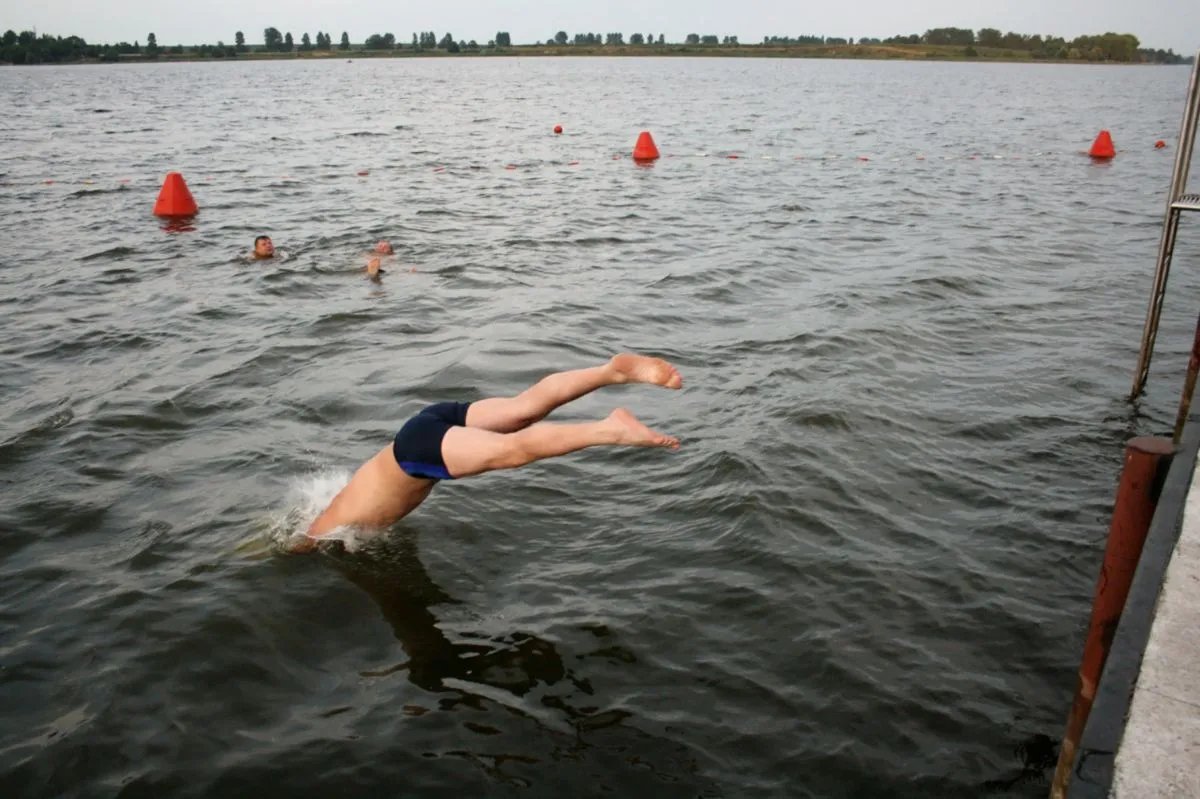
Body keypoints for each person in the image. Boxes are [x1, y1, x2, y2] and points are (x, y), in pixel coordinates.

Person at [290, 353, 683, 552]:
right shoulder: (335, 502)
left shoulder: (319, 535)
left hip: (415, 456)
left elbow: (305, 543)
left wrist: (293, 550)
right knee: (522, 409)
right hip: (422, 426)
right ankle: (611, 372)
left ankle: (610, 430)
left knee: (511, 451)